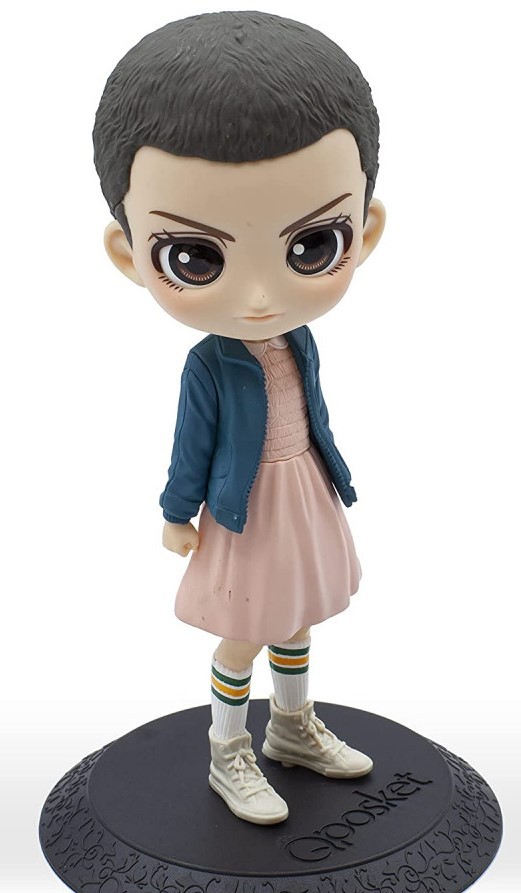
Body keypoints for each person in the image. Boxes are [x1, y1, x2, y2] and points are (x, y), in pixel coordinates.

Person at [93, 10, 386, 825]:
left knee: (296, 619)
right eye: (196, 257)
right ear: (129, 254)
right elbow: (191, 443)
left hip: (302, 494)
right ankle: (228, 748)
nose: (257, 296)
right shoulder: (210, 364)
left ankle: (290, 725)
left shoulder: (298, 340)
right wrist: (175, 511)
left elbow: (311, 410)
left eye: (312, 245)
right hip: (245, 508)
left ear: (364, 230)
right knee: (246, 630)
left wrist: (332, 472)